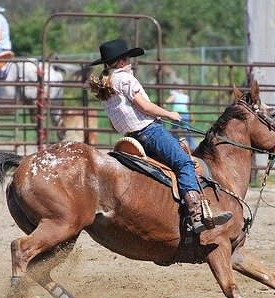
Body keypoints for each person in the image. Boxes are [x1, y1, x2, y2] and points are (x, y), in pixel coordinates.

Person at [87, 39, 232, 233]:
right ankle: (196, 212)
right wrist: (169, 114)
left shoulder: (106, 87)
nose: (131, 62)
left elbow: (115, 123)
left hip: (130, 137)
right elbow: (145, 106)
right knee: (184, 163)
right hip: (149, 132)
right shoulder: (126, 79)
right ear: (121, 61)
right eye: (128, 58)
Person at [166, 79, 196, 149]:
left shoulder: (177, 95)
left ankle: (176, 145)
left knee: (177, 130)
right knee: (183, 130)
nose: (179, 88)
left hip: (180, 114)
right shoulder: (183, 96)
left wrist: (164, 105)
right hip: (181, 114)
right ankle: (191, 146)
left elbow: (167, 101)